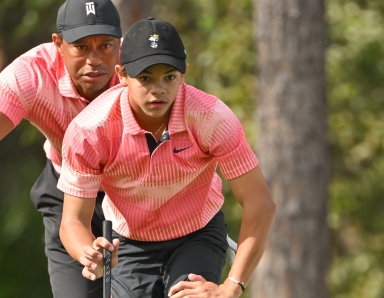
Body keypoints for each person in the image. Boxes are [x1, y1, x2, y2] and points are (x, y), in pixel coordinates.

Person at [58, 17, 277, 298]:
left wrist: (231, 287)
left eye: (169, 77)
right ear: (122, 74)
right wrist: (89, 253)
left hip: (197, 233)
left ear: (184, 72)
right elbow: (72, 222)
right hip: (127, 243)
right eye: (145, 78)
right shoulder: (90, 130)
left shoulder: (211, 118)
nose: (158, 89)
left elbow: (261, 205)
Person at [0, 0, 122, 297]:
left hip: (135, 194)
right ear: (59, 44)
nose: (95, 59)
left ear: (120, 42)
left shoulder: (140, 70)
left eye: (106, 45)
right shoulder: (33, 74)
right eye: (81, 47)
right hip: (67, 191)